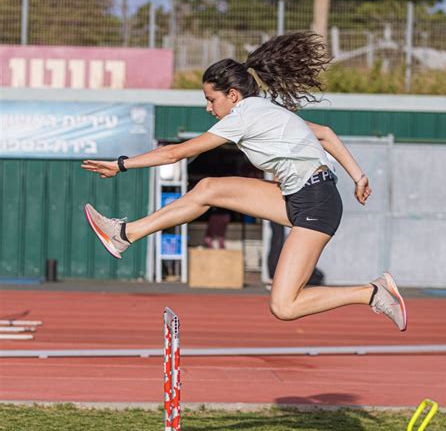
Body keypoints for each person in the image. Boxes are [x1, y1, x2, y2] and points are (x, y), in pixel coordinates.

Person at [82, 31, 407, 330]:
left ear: (233, 95)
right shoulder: (265, 110)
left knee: (284, 306)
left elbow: (175, 154)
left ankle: (372, 291)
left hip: (316, 203)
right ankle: (124, 234)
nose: (208, 108)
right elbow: (324, 134)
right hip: (300, 196)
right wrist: (358, 175)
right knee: (209, 187)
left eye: (211, 99)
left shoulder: (244, 116)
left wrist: (122, 165)